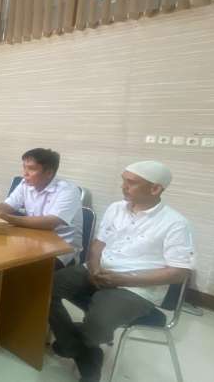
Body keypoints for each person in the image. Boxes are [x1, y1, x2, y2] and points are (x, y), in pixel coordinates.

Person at [48, 161, 194, 382]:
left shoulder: (175, 223)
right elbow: (98, 245)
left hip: (136, 288)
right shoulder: (116, 208)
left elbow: (178, 273)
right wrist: (94, 268)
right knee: (42, 289)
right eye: (123, 180)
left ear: (155, 188)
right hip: (99, 272)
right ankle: (74, 346)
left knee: (98, 326)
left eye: (131, 182)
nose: (123, 186)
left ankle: (80, 350)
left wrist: (122, 279)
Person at [0, 148, 83, 268]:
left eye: (31, 169)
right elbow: (8, 205)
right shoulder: (25, 184)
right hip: (33, 239)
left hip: (60, 250)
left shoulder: (67, 190)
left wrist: (9, 218)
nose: (25, 173)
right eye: (24, 167)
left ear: (49, 173)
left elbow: (51, 222)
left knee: (13, 267)